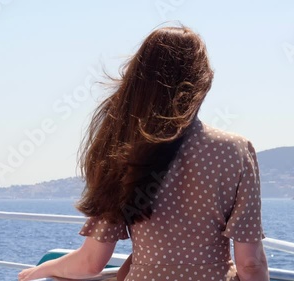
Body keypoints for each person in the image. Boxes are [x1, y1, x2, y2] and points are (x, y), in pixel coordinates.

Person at [18, 25, 268, 281]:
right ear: (201, 82)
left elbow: (91, 262)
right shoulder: (235, 150)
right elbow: (250, 263)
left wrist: (42, 269)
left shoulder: (124, 152)